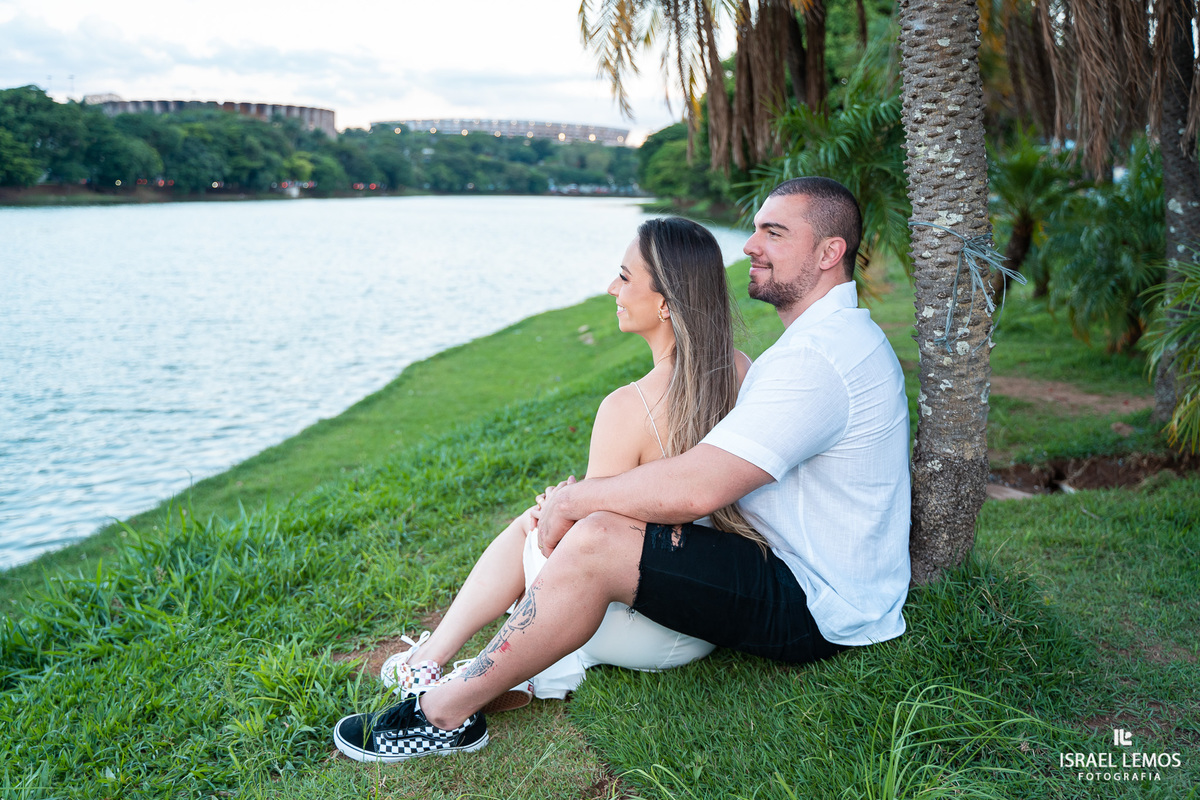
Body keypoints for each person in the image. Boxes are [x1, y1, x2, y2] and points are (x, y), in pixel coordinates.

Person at [333, 176, 911, 764]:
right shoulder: (810, 346)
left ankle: (442, 713)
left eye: (774, 232)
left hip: (818, 602)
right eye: (755, 229)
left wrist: (574, 501)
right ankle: (466, 673)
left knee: (593, 539)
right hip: (799, 570)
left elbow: (696, 487)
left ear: (828, 253)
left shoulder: (817, 357)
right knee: (588, 529)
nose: (750, 245)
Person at [341, 216, 756, 755]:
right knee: (553, 513)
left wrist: (558, 509)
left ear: (666, 303)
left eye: (625, 278)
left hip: (642, 626)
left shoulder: (627, 408)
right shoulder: (739, 369)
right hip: (704, 618)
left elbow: (594, 539)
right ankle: (464, 661)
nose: (612, 288)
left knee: (531, 527)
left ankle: (431, 664)